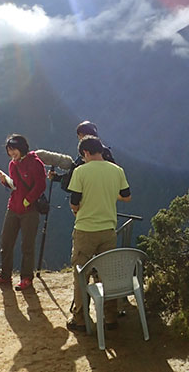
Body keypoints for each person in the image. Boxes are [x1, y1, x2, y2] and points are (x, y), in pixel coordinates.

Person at [66, 135, 131, 332]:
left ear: (85, 152)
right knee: (106, 274)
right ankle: (110, 318)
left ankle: (80, 319)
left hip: (85, 230)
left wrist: (76, 210)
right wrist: (109, 194)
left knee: (81, 274)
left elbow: (74, 201)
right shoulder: (116, 170)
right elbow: (126, 196)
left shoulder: (81, 171)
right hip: (108, 230)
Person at [0, 134, 46, 291]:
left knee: (27, 245)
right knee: (6, 242)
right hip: (13, 207)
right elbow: (16, 186)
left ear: (22, 148)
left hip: (30, 210)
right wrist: (5, 182)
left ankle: (26, 277)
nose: (11, 153)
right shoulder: (12, 165)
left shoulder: (36, 163)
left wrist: (28, 200)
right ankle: (5, 275)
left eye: (13, 150)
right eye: (9, 150)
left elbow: (40, 185)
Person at [35, 120, 116, 190]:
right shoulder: (101, 152)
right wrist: (57, 178)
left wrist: (57, 178)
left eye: (80, 136)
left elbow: (76, 178)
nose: (79, 139)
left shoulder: (88, 155)